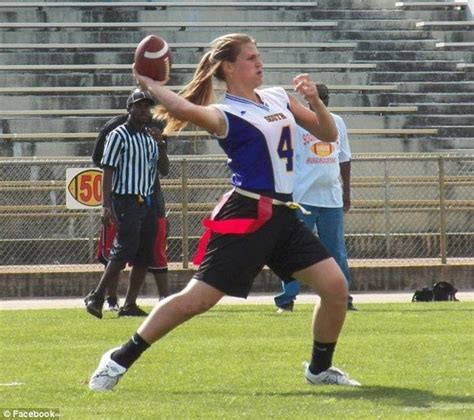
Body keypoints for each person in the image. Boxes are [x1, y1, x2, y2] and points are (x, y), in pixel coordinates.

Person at [89, 33, 360, 391]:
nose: (259, 62)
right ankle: (118, 358)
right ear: (229, 67)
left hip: (281, 215)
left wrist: (314, 102)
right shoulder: (226, 113)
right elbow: (184, 110)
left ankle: (319, 368)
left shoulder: (278, 96)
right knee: (196, 300)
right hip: (246, 215)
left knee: (335, 286)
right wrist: (149, 84)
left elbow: (327, 135)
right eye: (250, 58)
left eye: (259, 55)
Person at [84, 89, 167, 319]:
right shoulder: (118, 134)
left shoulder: (150, 137)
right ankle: (98, 296)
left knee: (144, 254)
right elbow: (107, 170)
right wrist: (106, 204)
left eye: (146, 107)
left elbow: (164, 170)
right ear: (129, 109)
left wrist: (160, 145)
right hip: (126, 199)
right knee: (123, 250)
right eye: (138, 106)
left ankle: (130, 304)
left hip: (147, 200)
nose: (143, 111)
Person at [274, 84, 357, 313]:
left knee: (336, 251)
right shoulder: (297, 124)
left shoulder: (337, 123)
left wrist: (346, 192)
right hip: (303, 197)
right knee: (293, 249)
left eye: (327, 97)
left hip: (331, 198)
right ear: (309, 101)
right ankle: (287, 299)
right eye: (320, 98)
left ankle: (343, 298)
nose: (324, 101)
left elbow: (344, 158)